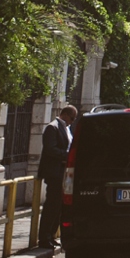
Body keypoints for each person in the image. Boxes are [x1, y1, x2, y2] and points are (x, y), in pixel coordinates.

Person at [37, 104, 78, 249]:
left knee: (59, 206)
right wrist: (67, 156)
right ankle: (43, 237)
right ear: (65, 114)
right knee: (52, 205)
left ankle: (52, 235)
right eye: (72, 118)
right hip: (54, 173)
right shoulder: (52, 127)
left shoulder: (66, 128)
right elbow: (50, 149)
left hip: (63, 173)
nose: (72, 121)